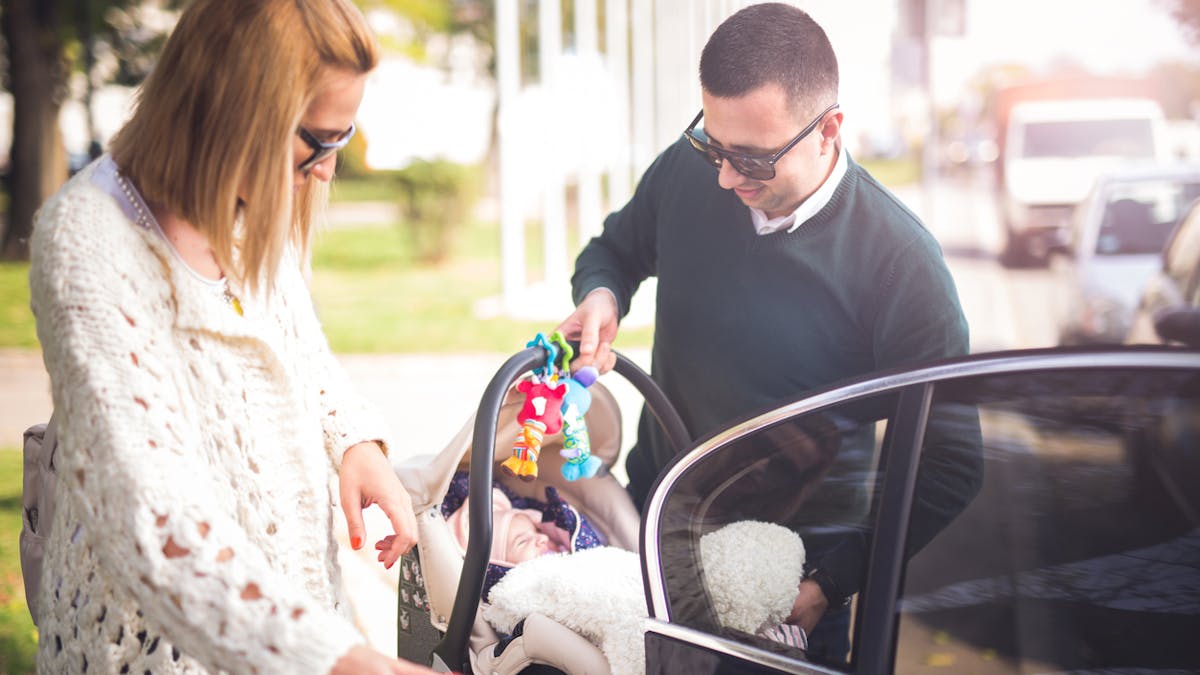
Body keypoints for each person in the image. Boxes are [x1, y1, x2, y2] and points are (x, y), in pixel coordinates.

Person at [554, 2, 981, 665]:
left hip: (785, 595)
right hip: (645, 540)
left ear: (828, 129)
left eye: (751, 159)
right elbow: (614, 248)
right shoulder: (687, 171)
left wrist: (828, 584)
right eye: (713, 146)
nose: (725, 176)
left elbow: (952, 466)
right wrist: (602, 296)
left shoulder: (901, 265)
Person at [27, 1, 434, 673]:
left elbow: (300, 343)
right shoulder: (88, 242)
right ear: (241, 114)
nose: (328, 169)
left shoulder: (241, 204)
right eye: (319, 141)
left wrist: (354, 439)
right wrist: (348, 661)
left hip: (297, 623)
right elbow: (155, 524)